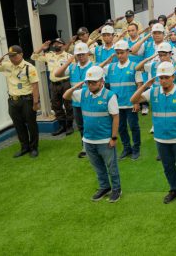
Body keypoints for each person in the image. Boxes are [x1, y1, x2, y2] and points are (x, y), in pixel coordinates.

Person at [132, 62, 176, 204]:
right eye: (161, 78)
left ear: (173, 77)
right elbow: (133, 100)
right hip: (160, 138)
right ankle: (174, 189)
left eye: (166, 77)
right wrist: (144, 85)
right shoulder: (153, 92)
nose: (163, 80)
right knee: (168, 166)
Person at [63, 66, 121, 202]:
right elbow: (65, 96)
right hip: (88, 140)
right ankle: (104, 187)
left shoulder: (110, 96)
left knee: (112, 167)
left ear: (102, 81)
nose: (90, 85)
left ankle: (116, 189)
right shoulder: (83, 93)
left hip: (105, 140)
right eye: (88, 82)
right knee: (98, 167)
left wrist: (114, 137)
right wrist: (76, 86)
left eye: (93, 82)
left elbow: (115, 117)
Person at [0, 45, 41, 158]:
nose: (12, 58)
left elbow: (35, 86)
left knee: (31, 124)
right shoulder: (6, 65)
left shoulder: (29, 67)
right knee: (18, 125)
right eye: (10, 56)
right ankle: (24, 147)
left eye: (14, 55)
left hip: (27, 100)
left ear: (21, 54)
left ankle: (34, 148)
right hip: (12, 100)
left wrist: (36, 103)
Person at [55, 42, 96, 158]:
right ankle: (85, 147)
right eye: (78, 55)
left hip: (90, 102)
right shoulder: (72, 67)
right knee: (81, 126)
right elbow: (57, 74)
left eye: (83, 54)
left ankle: (95, 146)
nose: (81, 57)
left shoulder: (94, 66)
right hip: (76, 103)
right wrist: (68, 61)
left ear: (88, 53)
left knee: (91, 125)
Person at [103, 40, 141, 160]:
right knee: (121, 127)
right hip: (117, 104)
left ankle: (136, 148)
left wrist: (137, 102)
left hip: (130, 103)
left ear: (128, 52)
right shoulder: (111, 67)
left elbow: (139, 85)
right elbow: (97, 69)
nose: (120, 55)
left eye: (122, 53)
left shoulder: (134, 66)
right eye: (117, 53)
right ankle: (127, 148)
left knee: (133, 126)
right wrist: (108, 60)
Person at [31, 38, 74, 136]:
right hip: (54, 84)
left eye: (58, 43)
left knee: (68, 105)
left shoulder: (69, 56)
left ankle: (69, 126)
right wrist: (42, 47)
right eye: (54, 43)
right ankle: (62, 126)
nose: (56, 45)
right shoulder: (49, 55)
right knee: (56, 105)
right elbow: (33, 56)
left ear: (63, 45)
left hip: (65, 83)